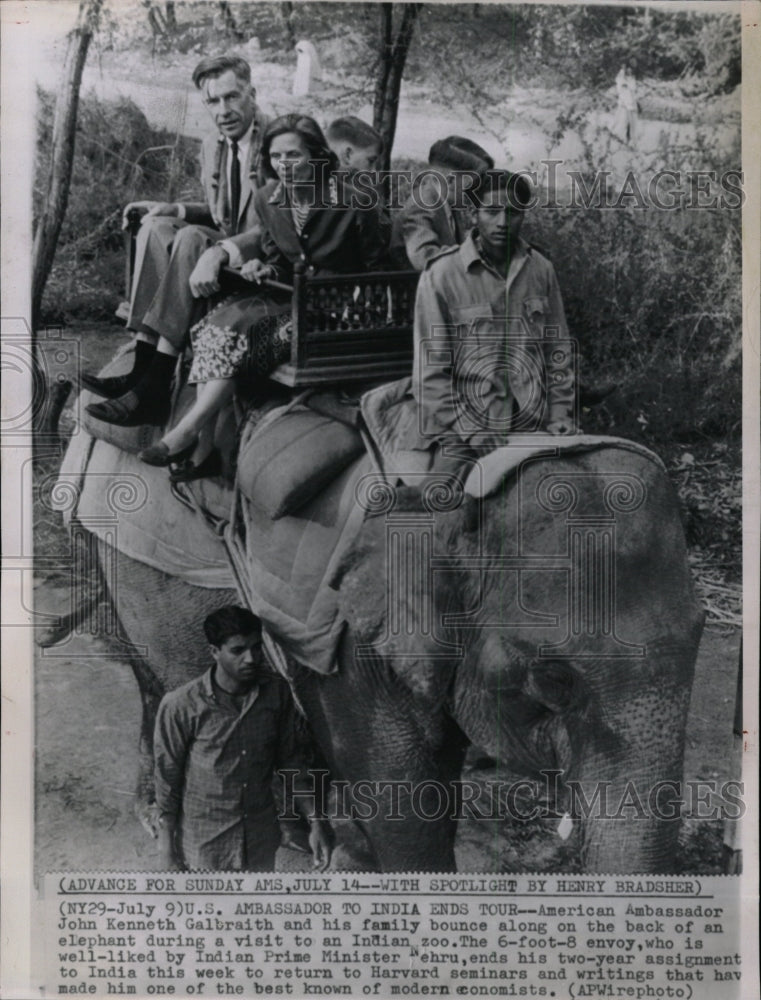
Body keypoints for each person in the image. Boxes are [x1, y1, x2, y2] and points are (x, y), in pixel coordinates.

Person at [137, 113, 389, 477]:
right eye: (276, 157)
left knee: (254, 338)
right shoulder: (268, 199)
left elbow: (381, 270)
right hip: (290, 299)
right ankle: (204, 449)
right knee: (214, 325)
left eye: (294, 156)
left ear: (318, 155)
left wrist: (358, 304)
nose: (284, 165)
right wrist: (263, 270)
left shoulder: (357, 199)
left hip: (343, 310)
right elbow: (278, 263)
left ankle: (187, 432)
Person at [85, 55, 269, 427]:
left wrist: (219, 250)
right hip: (225, 249)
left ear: (252, 93)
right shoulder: (213, 144)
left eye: (232, 97)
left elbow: (278, 226)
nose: (224, 110)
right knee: (158, 227)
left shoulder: (277, 144)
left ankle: (154, 384)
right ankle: (140, 366)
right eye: (213, 101)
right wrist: (175, 208)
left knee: (188, 239)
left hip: (259, 258)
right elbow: (223, 213)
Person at [407, 168, 576, 483]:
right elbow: (429, 374)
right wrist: (472, 432)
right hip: (466, 426)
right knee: (441, 504)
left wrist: (560, 413)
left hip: (532, 419)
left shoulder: (541, 270)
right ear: (473, 214)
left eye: (512, 212)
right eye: (492, 211)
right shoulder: (442, 275)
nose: (502, 222)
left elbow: (558, 349)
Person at [154, 605, 332, 872]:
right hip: (206, 848)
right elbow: (167, 782)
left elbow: (291, 764)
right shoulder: (180, 706)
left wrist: (316, 822)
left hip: (260, 842)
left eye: (257, 647)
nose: (251, 658)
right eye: (238, 650)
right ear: (214, 652)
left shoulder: (276, 693)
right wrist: (166, 853)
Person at [392, 136, 494, 271]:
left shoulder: (448, 203)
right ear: (451, 181)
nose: (479, 191)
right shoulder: (420, 208)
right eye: (475, 183)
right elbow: (426, 260)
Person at [614, 63, 638, 145]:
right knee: (622, 120)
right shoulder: (621, 78)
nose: (629, 70)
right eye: (627, 69)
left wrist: (628, 86)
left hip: (630, 101)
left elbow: (633, 88)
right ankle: (622, 137)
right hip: (624, 101)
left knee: (631, 121)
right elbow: (619, 88)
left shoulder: (632, 79)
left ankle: (629, 138)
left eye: (630, 69)